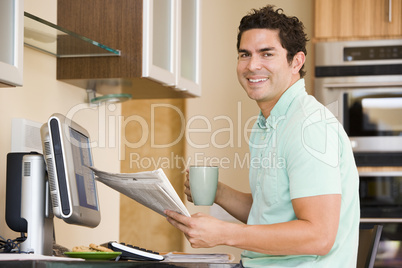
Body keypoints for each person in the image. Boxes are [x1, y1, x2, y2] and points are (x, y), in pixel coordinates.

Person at [165, 5, 360, 267]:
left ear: (296, 61)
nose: (252, 65)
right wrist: (218, 192)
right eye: (245, 54)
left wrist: (224, 233)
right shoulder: (269, 123)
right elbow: (269, 214)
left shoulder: (309, 126)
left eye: (266, 54)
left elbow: (319, 236)